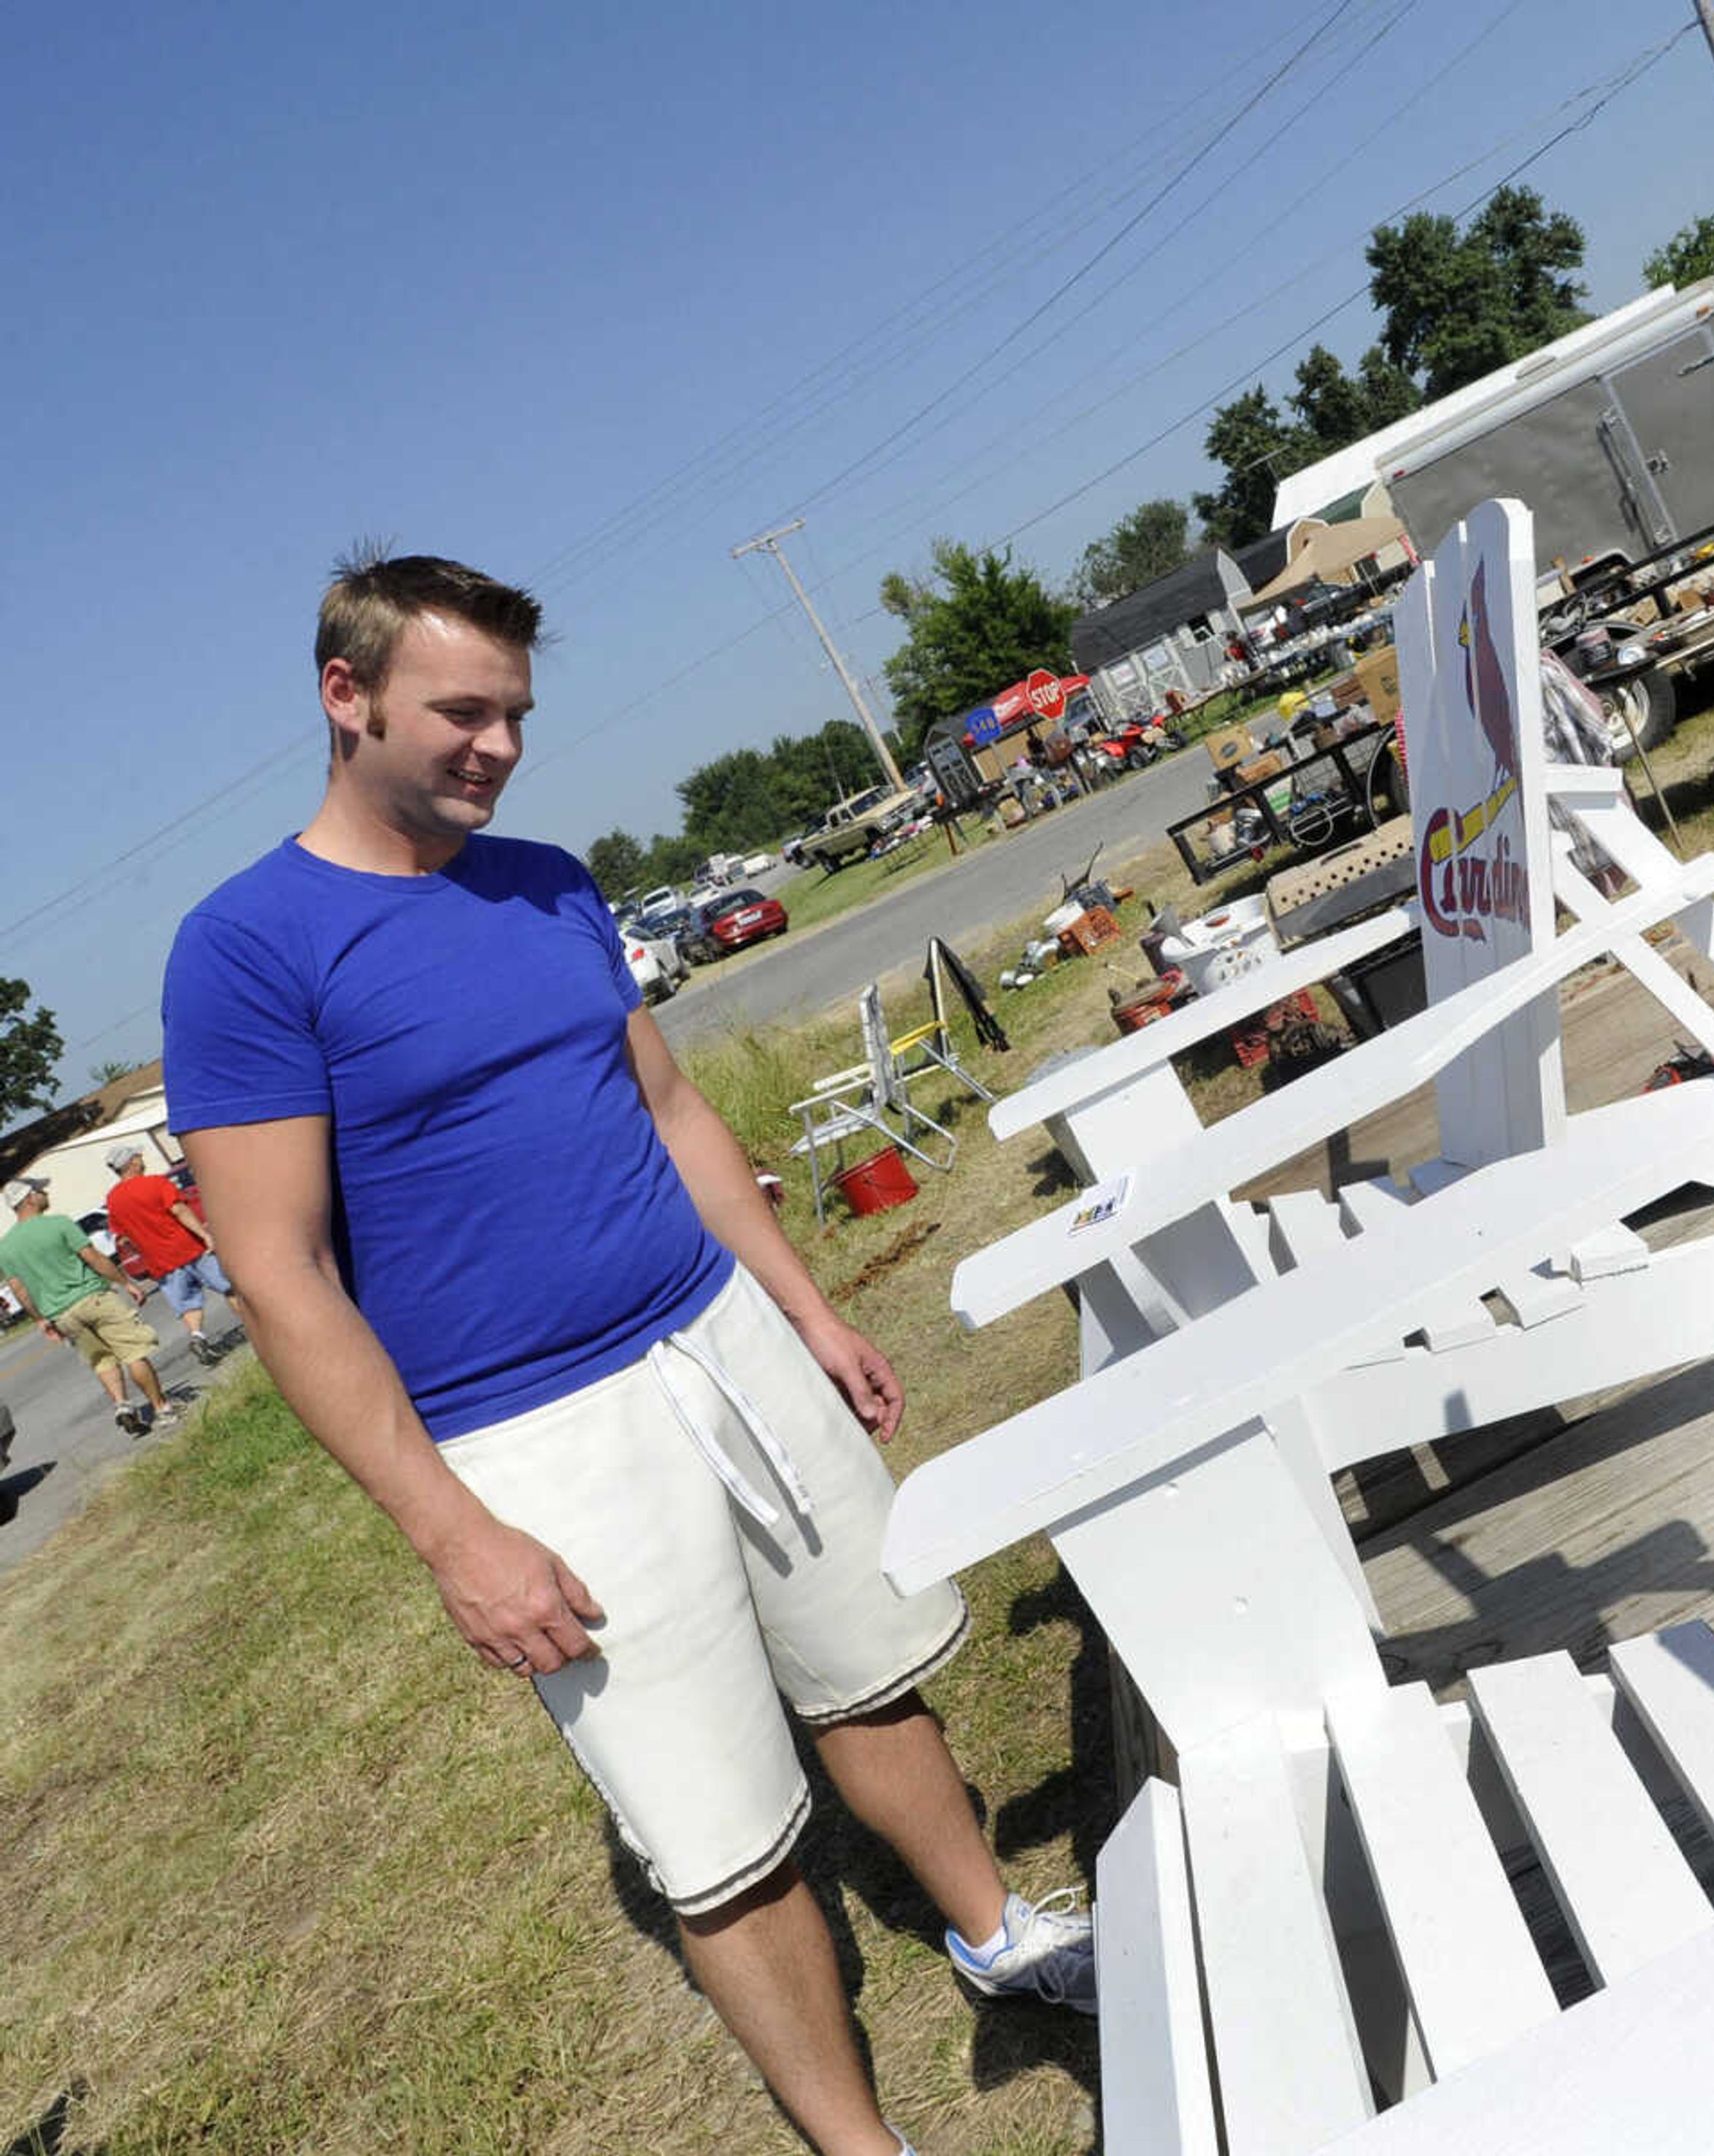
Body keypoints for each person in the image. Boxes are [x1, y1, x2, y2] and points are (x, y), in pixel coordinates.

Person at [163, 552, 1090, 2156]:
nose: (498, 747)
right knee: (720, 1834)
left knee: (863, 1668)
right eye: (462, 711)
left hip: (719, 1337)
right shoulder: (249, 948)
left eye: (516, 714)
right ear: (345, 696)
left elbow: (667, 1113)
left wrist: (804, 1312)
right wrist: (456, 1533)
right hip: (536, 1435)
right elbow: (281, 1272)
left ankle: (1003, 1933)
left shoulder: (549, 881)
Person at [0, 1175, 175, 1436]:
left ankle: (123, 1406)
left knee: (102, 1361)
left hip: (62, 1315)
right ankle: (162, 1409)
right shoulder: (58, 1224)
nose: (45, 1193)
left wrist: (40, 1319)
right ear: (29, 1198)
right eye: (39, 1190)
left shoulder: (6, 1248)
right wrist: (126, 1283)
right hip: (93, 1298)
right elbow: (93, 1257)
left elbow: (19, 1289)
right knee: (133, 1353)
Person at [100, 1143, 245, 1363]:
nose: (142, 1159)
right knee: (230, 1288)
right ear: (132, 1162)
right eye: (138, 1156)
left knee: (187, 1305)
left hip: (160, 1263)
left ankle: (197, 1337)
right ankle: (257, 1329)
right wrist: (205, 1235)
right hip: (190, 1248)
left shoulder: (113, 1200)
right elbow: (179, 1210)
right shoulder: (156, 1183)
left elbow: (121, 1236)